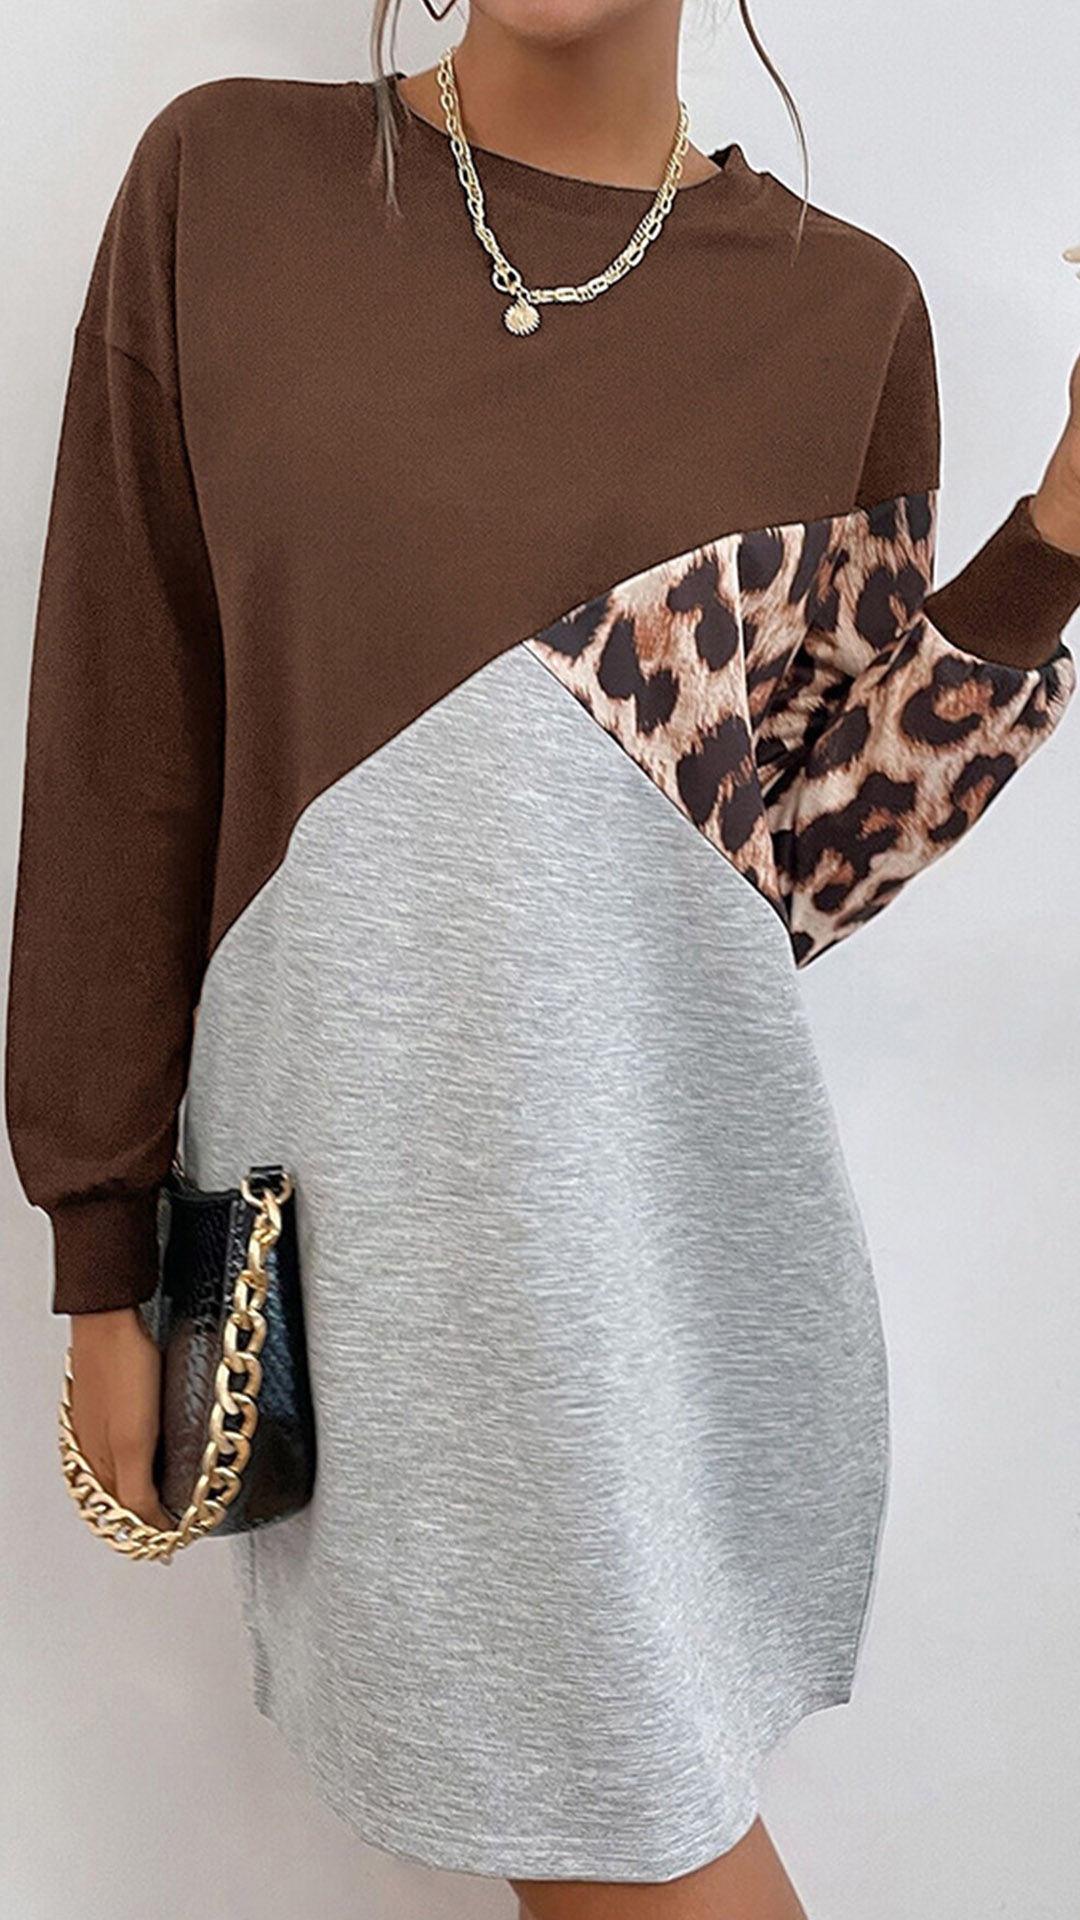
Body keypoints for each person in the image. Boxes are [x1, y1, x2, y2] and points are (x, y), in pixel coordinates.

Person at [7, 3, 1080, 1915]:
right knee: (616, 1841)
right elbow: (123, 734)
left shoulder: (846, 315)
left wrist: (1063, 532)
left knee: (630, 1842)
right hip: (362, 1264)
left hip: (666, 1256)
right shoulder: (225, 185)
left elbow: (793, 864)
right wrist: (102, 1254)